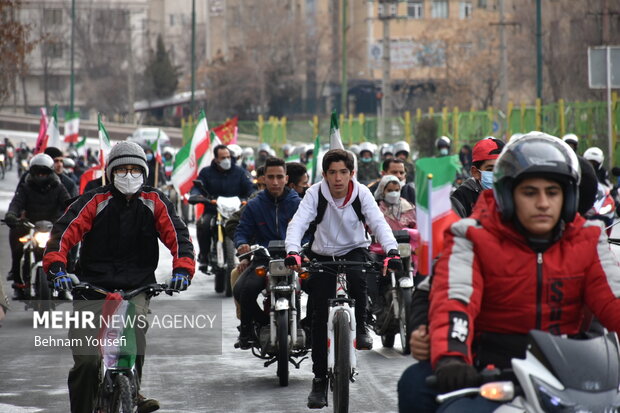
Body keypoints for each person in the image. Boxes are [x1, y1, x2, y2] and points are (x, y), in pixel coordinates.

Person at [402, 132, 620, 413]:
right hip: (493, 370)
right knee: (418, 387)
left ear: (568, 198)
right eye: (530, 192)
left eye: (552, 192)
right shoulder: (472, 237)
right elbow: (455, 299)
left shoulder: (589, 239)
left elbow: (613, 297)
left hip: (572, 373)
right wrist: (452, 357)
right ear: (507, 196)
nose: (543, 203)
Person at [43, 141, 195, 413]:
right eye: (121, 169)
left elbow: (179, 237)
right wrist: (57, 269)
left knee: (135, 329)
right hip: (91, 288)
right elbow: (62, 235)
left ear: (144, 173)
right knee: (87, 362)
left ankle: (132, 389)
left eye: (134, 169)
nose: (128, 175)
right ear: (110, 173)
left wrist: (183, 269)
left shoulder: (155, 201)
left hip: (137, 286)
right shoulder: (93, 200)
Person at [284, 149, 403, 409]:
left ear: (352, 173)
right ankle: (318, 380)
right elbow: (298, 224)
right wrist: (292, 250)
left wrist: (392, 251)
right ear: (324, 174)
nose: (338, 178)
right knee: (317, 315)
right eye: (332, 172)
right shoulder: (315, 193)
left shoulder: (361, 193)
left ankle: (361, 326)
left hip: (354, 250)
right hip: (322, 254)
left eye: (343, 172)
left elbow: (379, 223)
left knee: (359, 282)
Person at [233, 158, 303, 347]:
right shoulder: (254, 205)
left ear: (286, 178)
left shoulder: (299, 204)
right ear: (263, 178)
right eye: (270, 177)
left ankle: (309, 327)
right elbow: (242, 231)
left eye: (279, 177)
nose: (275, 182)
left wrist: (306, 246)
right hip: (264, 258)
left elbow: (312, 230)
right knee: (242, 290)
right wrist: (242, 245)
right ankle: (250, 329)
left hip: (295, 257)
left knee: (320, 287)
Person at [4, 154, 69, 295]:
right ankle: (18, 282)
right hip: (30, 225)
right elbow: (16, 203)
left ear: (50, 172)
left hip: (53, 226)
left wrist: (72, 214)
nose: (41, 175)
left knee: (67, 247)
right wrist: (11, 215)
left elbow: (68, 203)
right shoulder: (25, 187)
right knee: (17, 247)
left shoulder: (59, 187)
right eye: (37, 172)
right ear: (31, 173)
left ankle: (65, 279)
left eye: (44, 172)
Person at [191, 144, 254, 271]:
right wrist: (196, 195)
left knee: (250, 226)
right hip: (213, 209)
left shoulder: (240, 172)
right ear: (216, 159)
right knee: (203, 223)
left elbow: (250, 188)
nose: (227, 160)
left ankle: (249, 256)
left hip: (236, 210)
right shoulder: (206, 172)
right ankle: (203, 256)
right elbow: (197, 187)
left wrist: (246, 199)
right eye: (223, 157)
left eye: (228, 157)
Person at [451, 137, 505, 218]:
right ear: (475, 172)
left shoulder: (514, 193)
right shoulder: (461, 197)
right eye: (490, 169)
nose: (497, 174)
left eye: (501, 168)